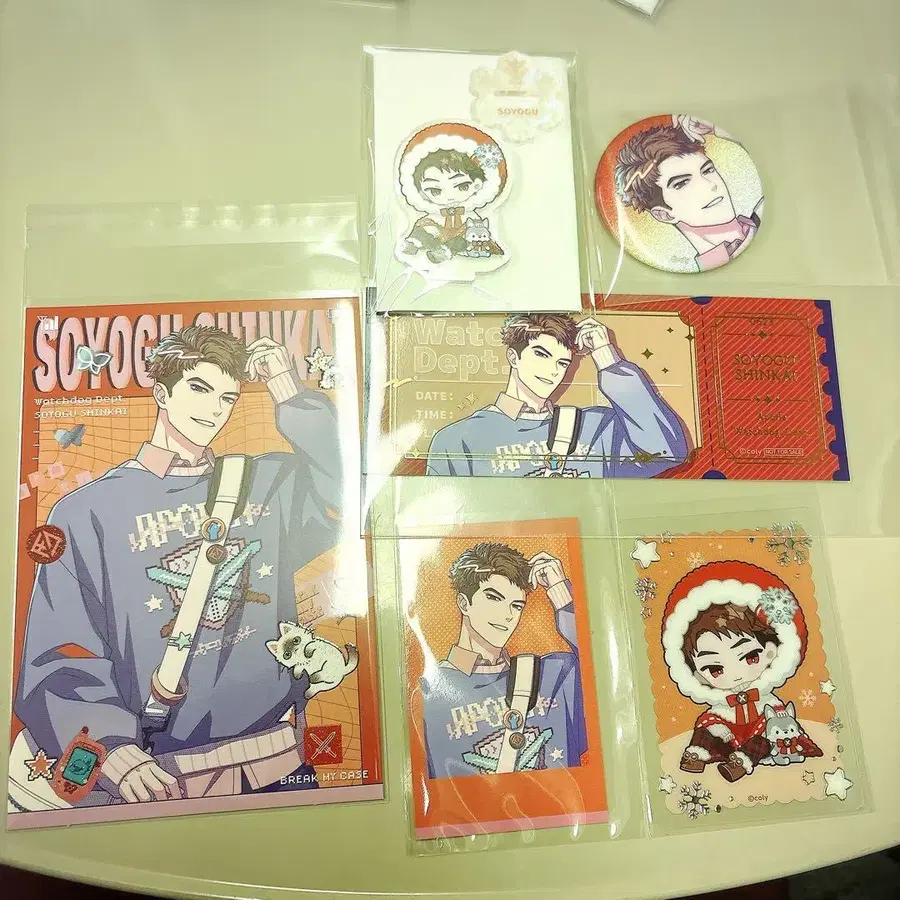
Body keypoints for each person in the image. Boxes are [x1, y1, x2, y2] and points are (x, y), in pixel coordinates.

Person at [15, 325, 342, 806]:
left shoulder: (269, 481)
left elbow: (350, 490)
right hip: (152, 777)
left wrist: (286, 389)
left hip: (278, 760)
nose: (214, 409)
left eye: (227, 397)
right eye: (199, 389)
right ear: (162, 393)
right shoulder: (87, 511)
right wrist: (109, 746)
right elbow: (59, 655)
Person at [425, 313, 688, 477]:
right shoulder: (457, 439)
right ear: (513, 357)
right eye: (541, 354)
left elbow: (667, 452)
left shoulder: (596, 426)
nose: (553, 371)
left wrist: (606, 356)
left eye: (563, 363)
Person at [420, 542, 587, 778]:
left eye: (516, 606)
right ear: (464, 603)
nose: (507, 615)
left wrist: (561, 594)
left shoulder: (556, 674)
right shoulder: (429, 693)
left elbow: (609, 683)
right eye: (493, 598)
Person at [660, 561, 823, 783]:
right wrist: (717, 727)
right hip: (727, 736)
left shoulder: (765, 697)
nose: (736, 675)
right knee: (706, 731)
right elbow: (712, 718)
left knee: (764, 741)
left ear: (770, 652)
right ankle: (695, 757)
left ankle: (739, 765)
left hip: (757, 734)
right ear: (697, 674)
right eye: (715, 669)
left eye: (750, 657)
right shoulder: (720, 702)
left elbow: (778, 718)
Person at [615, 115, 763, 272]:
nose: (710, 185)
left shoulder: (762, 215)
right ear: (664, 214)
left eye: (708, 170)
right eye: (682, 183)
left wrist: (716, 130)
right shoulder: (709, 272)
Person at [401, 147, 499, 264]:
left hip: (462, 234)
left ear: (476, 185)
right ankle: (414, 244)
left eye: (462, 187)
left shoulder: (469, 212)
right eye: (435, 191)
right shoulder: (435, 212)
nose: (450, 197)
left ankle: (445, 252)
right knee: (424, 228)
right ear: (422, 193)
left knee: (468, 236)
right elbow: (430, 222)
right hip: (438, 232)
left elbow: (477, 226)